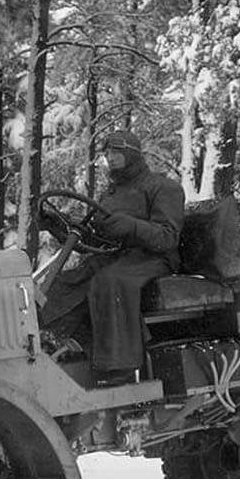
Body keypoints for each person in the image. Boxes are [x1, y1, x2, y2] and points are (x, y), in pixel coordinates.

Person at [40, 130, 185, 386]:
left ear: (132, 154)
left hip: (153, 259)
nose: (110, 158)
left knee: (109, 281)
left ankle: (119, 366)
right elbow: (96, 242)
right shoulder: (112, 194)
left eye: (116, 152)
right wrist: (59, 227)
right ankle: (61, 342)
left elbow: (167, 237)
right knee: (66, 283)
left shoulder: (163, 187)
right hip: (115, 256)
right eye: (107, 153)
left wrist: (132, 226)